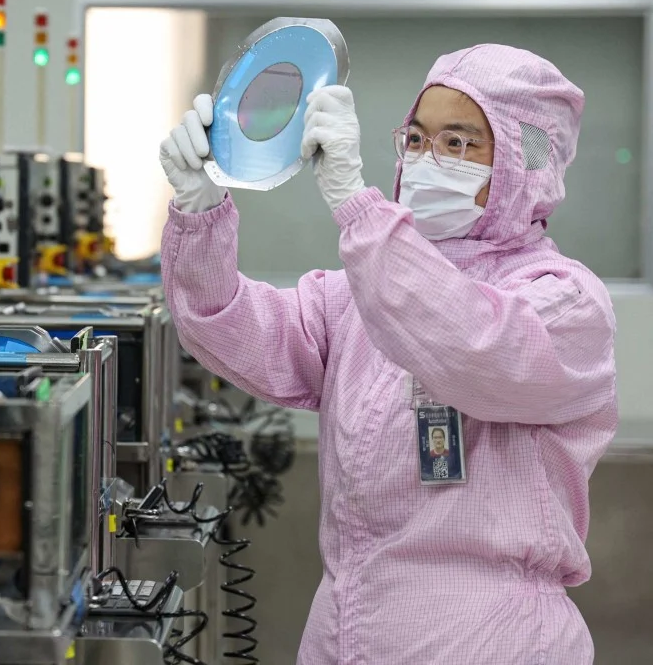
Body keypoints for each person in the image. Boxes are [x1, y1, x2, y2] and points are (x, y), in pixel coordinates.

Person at [158, 44, 617, 664]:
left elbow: (465, 340)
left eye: (459, 143)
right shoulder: (357, 293)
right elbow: (228, 325)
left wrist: (357, 206)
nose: (428, 159)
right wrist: (201, 207)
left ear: (524, 162)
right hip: (348, 630)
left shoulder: (564, 303)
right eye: (418, 139)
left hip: (492, 641)